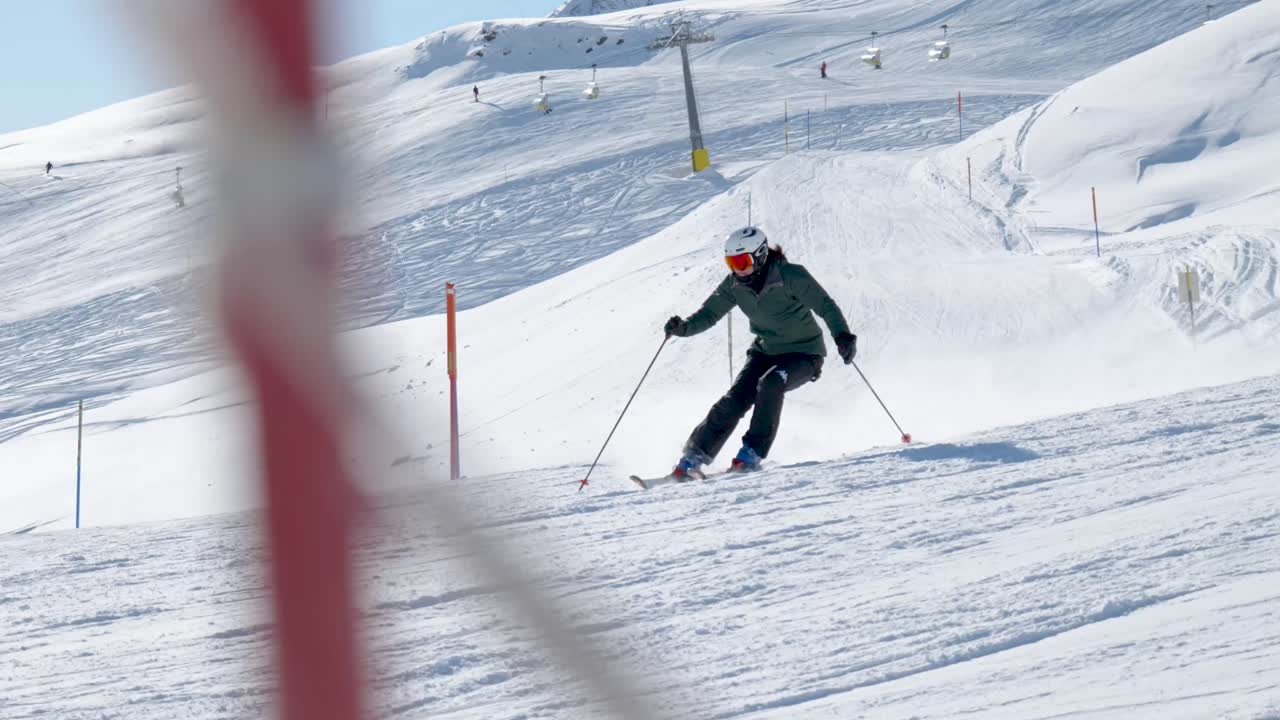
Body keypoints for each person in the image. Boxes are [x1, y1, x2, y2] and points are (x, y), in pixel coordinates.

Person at [663, 226, 856, 477]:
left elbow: (825, 305)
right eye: (731, 262)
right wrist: (684, 328)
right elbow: (710, 313)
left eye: (742, 261)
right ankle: (692, 457)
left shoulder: (790, 276)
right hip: (764, 352)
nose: (737, 268)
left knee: (773, 382)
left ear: (760, 255)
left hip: (804, 354)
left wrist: (842, 335)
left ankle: (751, 453)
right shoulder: (734, 284)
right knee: (735, 399)